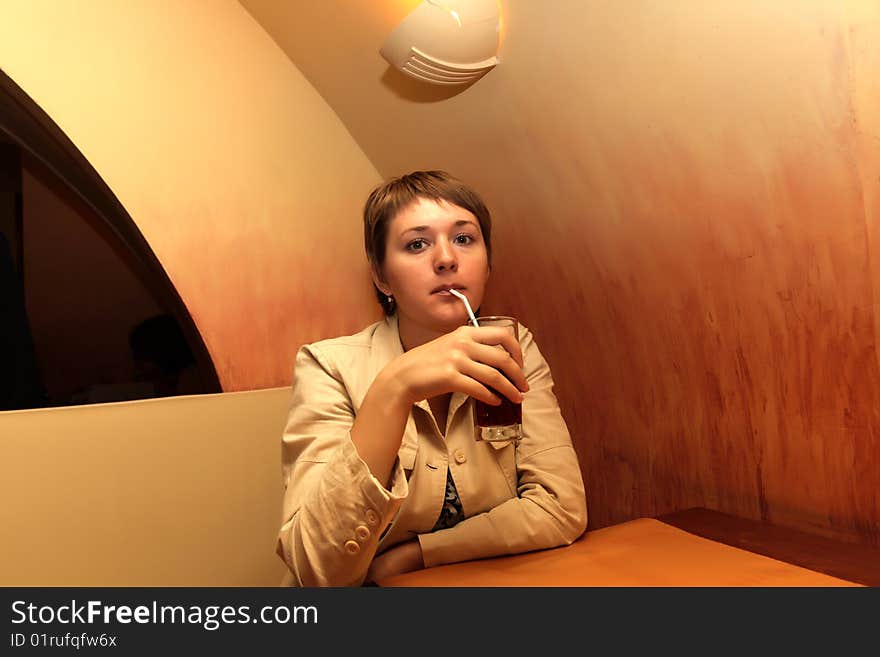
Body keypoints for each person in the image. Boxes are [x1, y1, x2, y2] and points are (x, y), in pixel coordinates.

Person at [277, 171, 587, 587]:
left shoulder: (511, 346)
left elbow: (559, 506)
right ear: (382, 277)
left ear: (488, 263)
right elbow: (316, 567)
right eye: (417, 244)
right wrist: (394, 388)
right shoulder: (327, 366)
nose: (445, 258)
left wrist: (419, 554)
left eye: (463, 239)